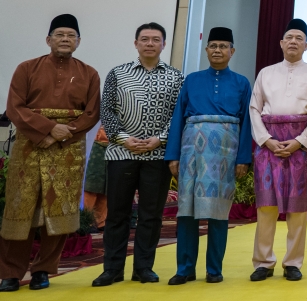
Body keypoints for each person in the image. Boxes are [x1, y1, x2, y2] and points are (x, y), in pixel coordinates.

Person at [0, 14, 100, 293]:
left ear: (78, 41)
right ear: (48, 39)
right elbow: (15, 107)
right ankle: (10, 273)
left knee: (58, 209)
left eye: (71, 35)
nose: (65, 39)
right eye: (60, 34)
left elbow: (92, 113)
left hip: (68, 147)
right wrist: (45, 130)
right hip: (29, 145)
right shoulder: (26, 68)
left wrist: (62, 132)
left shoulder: (89, 73)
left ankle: (43, 270)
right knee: (20, 207)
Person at [91, 22, 184, 287]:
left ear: (163, 44)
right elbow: (106, 110)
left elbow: (179, 114)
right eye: (145, 39)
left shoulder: (176, 77)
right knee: (117, 213)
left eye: (156, 39)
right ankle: (112, 269)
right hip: (122, 152)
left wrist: (160, 139)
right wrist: (123, 138)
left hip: (158, 155)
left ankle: (144, 267)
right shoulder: (118, 74)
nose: (150, 43)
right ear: (136, 43)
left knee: (151, 215)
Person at [165, 27, 253, 285]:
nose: (217, 50)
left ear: (232, 51)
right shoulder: (191, 80)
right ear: (206, 50)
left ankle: (214, 269)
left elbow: (248, 122)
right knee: (187, 211)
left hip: (226, 152)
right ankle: (185, 269)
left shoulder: (241, 82)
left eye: (223, 46)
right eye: (213, 45)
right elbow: (177, 119)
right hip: (191, 150)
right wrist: (173, 155)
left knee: (218, 211)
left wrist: (243, 158)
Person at [248, 19, 307, 283]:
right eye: (289, 37)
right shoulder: (266, 73)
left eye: (298, 38)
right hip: (268, 144)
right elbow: (254, 109)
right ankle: (263, 262)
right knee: (266, 206)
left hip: (299, 145)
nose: (293, 41)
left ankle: (293, 262)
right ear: (281, 43)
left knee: (297, 208)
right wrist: (266, 140)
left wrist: (300, 141)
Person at [82, 127, 109, 231]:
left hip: (115, 147)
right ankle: (86, 221)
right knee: (91, 186)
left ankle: (101, 221)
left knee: (107, 187)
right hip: (95, 145)